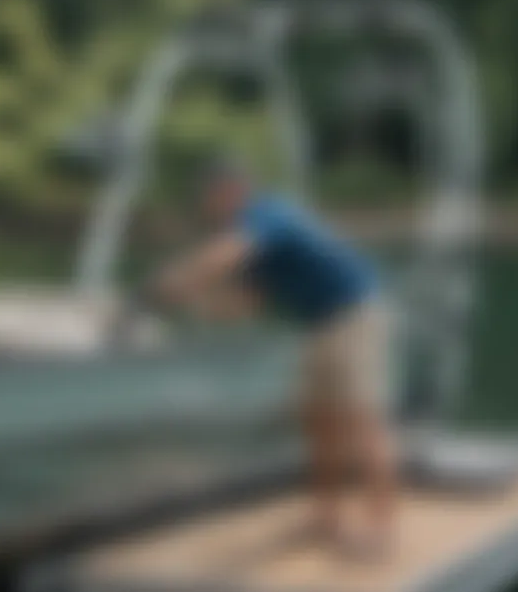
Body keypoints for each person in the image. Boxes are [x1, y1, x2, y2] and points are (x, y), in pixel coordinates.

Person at [153, 155, 397, 555]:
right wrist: (189, 304)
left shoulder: (269, 213)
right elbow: (243, 306)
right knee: (318, 423)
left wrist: (175, 280)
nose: (207, 208)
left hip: (356, 316)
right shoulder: (250, 239)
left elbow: (220, 258)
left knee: (362, 422)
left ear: (232, 191)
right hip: (319, 325)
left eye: (209, 199)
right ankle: (325, 517)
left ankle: (382, 528)